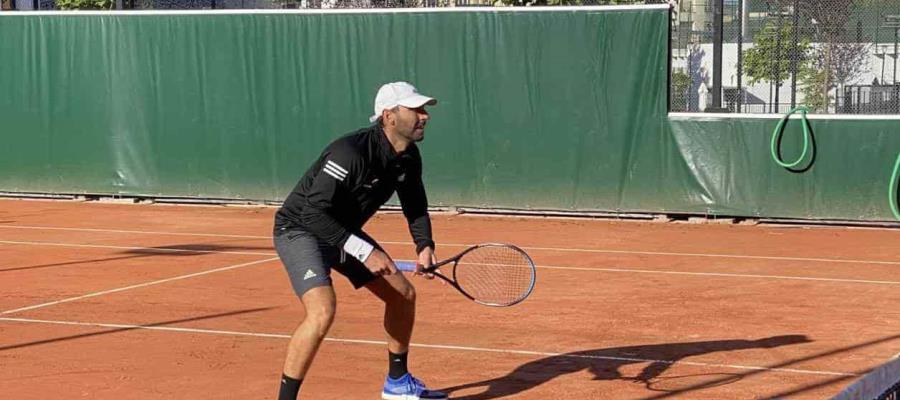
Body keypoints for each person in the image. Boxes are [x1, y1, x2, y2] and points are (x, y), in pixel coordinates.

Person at [272, 81, 447, 400]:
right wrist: (363, 251)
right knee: (322, 311)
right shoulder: (349, 153)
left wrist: (425, 246)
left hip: (341, 231)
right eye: (416, 109)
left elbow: (415, 204)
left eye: (424, 110)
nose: (425, 116)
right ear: (389, 116)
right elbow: (312, 212)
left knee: (403, 295)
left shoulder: (408, 157)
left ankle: (397, 383)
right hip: (300, 229)